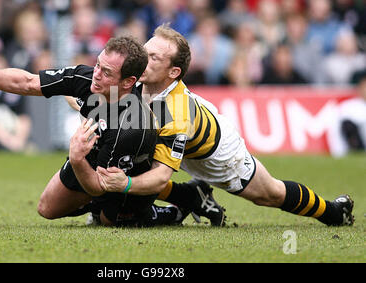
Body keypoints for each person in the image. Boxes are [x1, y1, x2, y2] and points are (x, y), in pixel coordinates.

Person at [96, 24, 354, 227]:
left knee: (269, 194)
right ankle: (190, 196)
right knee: (129, 152)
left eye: (153, 58)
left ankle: (332, 212)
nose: (143, 60)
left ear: (173, 72)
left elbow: (160, 176)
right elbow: (96, 97)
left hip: (218, 155)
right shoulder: (138, 79)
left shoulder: (175, 112)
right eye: (144, 52)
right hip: (179, 139)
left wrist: (125, 185)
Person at [0, 36, 188, 227]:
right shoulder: (88, 77)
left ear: (128, 82)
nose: (97, 74)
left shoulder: (131, 126)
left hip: (126, 174)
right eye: (98, 64)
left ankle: (167, 210)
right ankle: (96, 206)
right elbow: (29, 82)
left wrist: (77, 158)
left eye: (107, 72)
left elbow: (101, 186)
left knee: (108, 220)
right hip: (95, 151)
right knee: (46, 208)